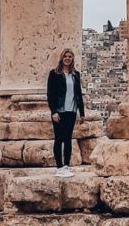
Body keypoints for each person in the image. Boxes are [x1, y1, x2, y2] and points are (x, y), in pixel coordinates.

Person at [46, 47, 84, 177]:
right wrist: (54, 111)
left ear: (72, 58)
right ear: (62, 58)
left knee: (68, 139)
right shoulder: (54, 74)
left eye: (70, 56)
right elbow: (50, 94)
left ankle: (66, 166)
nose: (67, 59)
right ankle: (59, 166)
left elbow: (78, 94)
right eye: (65, 56)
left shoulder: (76, 74)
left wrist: (82, 112)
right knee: (58, 139)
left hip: (71, 110)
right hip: (59, 111)